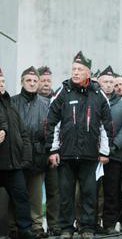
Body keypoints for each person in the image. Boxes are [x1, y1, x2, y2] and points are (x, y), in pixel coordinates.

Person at [46, 52, 113, 239]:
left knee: (89, 194)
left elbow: (106, 126)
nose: (75, 72)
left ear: (88, 73)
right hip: (66, 155)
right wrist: (53, 150)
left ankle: (87, 228)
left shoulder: (99, 94)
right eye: (73, 69)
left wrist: (105, 151)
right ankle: (66, 228)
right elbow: (51, 123)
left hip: (90, 155)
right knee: (65, 194)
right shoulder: (62, 92)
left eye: (80, 69)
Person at [11, 67, 50, 238]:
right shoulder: (11, 102)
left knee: (36, 194)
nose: (32, 83)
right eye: (29, 80)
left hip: (38, 154)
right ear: (22, 82)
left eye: (35, 81)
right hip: (17, 154)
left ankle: (36, 227)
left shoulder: (46, 103)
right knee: (17, 193)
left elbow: (51, 129)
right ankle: (14, 227)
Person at [0, 68, 38, 239]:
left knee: (22, 197)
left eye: (2, 82)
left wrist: (26, 159)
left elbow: (24, 135)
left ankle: (25, 231)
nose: (1, 85)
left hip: (14, 164)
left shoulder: (11, 106)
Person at [97, 66, 122, 235]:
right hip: (93, 155)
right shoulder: (93, 100)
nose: (109, 85)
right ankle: (91, 223)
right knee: (92, 191)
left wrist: (112, 147)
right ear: (99, 83)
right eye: (105, 82)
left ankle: (109, 224)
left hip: (114, 155)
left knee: (112, 191)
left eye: (112, 82)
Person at [36, 66, 61, 236]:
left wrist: (55, 149)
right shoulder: (32, 99)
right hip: (36, 153)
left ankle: (54, 225)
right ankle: (36, 225)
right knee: (36, 193)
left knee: (54, 191)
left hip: (54, 152)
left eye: (48, 81)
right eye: (43, 80)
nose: (46, 84)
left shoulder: (57, 99)